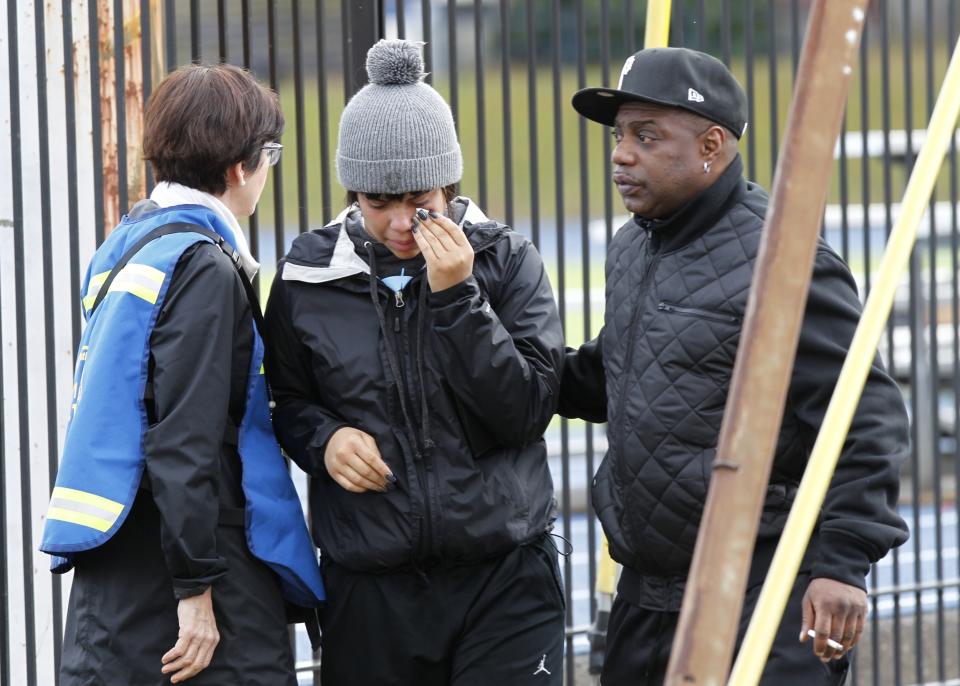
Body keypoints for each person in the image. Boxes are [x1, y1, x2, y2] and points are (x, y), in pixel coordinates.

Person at [560, 47, 910, 685]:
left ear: (711, 145)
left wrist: (842, 563)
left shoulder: (783, 256)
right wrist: (488, 354)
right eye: (618, 137)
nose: (620, 155)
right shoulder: (633, 246)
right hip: (649, 595)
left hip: (762, 591)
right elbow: (617, 374)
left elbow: (865, 416)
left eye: (645, 136)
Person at [264, 39, 566, 685]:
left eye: (419, 199)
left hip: (505, 578)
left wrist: (458, 295)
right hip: (371, 588)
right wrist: (324, 439)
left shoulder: (506, 261)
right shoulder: (307, 273)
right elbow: (285, 402)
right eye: (378, 201)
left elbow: (525, 412)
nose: (402, 220)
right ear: (352, 191)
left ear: (449, 182)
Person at [41, 63, 324, 685]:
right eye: (268, 154)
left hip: (119, 566)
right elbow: (183, 435)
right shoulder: (205, 267)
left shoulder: (132, 245)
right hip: (194, 565)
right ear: (238, 168)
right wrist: (195, 589)